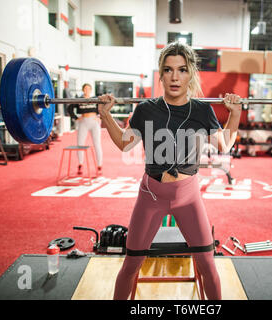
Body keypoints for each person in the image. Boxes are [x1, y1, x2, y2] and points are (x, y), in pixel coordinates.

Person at [97, 41, 242, 300]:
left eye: (182, 70)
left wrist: (235, 113)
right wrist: (106, 116)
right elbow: (124, 143)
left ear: (191, 74)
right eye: (168, 70)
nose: (175, 77)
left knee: (208, 264)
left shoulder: (201, 110)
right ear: (161, 74)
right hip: (151, 196)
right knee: (131, 263)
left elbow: (224, 144)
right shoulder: (146, 109)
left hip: (188, 197)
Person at [67, 83, 103, 175]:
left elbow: (103, 107)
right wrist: (75, 117)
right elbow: (69, 108)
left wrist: (100, 117)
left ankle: (99, 165)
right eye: (85, 89)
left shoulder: (95, 99)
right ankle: (80, 164)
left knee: (97, 144)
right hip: (83, 122)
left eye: (88, 89)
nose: (87, 90)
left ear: (91, 90)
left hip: (94, 122)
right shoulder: (79, 99)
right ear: (83, 90)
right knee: (80, 144)